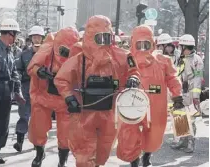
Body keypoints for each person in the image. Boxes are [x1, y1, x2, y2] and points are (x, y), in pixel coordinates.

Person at [54, 15, 140, 167]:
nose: (102, 41)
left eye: (106, 37)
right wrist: (69, 98)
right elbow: (61, 79)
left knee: (103, 152)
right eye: (98, 37)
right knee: (84, 154)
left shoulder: (121, 56)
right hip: (84, 113)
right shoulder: (79, 59)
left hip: (109, 112)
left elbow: (133, 70)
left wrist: (133, 78)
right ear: (89, 36)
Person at [116, 25, 183, 167]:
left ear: (152, 43)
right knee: (129, 134)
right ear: (133, 43)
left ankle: (147, 155)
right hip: (131, 104)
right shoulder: (126, 60)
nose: (142, 48)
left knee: (154, 133)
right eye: (138, 44)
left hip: (155, 104)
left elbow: (172, 78)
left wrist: (177, 96)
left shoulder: (162, 60)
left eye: (145, 44)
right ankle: (134, 161)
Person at [27, 27, 79, 167]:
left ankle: (62, 161)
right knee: (38, 127)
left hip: (65, 98)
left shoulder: (79, 53)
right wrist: (41, 72)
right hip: (44, 95)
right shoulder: (47, 49)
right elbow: (31, 67)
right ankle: (39, 153)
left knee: (66, 132)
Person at [0, 18, 25, 164]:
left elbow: (14, 73)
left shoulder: (10, 51)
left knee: (3, 123)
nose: (16, 37)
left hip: (7, 90)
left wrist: (18, 92)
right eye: (15, 34)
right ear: (9, 33)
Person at [13, 26, 45, 153]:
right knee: (24, 115)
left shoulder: (47, 53)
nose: (36, 38)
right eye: (34, 36)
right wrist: (18, 83)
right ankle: (19, 141)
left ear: (42, 38)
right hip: (26, 86)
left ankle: (37, 142)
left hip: (42, 88)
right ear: (31, 38)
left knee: (39, 118)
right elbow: (18, 70)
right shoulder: (24, 54)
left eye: (39, 36)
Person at [170, 34, 204, 153]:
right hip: (181, 91)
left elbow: (198, 78)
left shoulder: (197, 60)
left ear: (185, 46)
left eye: (181, 46)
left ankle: (190, 142)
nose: (179, 48)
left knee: (191, 118)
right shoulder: (182, 58)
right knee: (179, 114)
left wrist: (195, 96)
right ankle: (182, 140)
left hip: (191, 93)